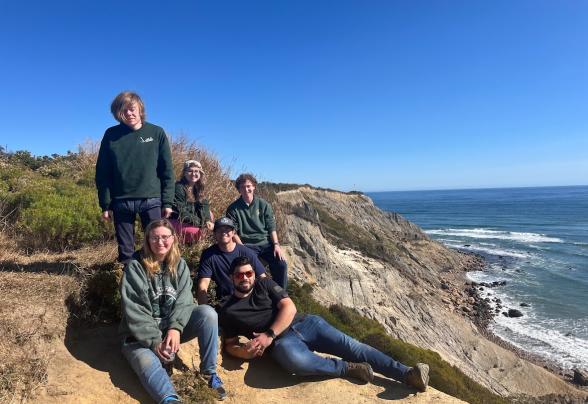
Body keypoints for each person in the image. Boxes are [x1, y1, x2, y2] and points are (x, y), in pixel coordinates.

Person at [219, 256, 430, 393]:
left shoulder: (264, 284)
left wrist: (269, 335)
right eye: (239, 275)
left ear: (254, 275)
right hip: (282, 344)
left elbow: (289, 307)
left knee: (354, 347)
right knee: (296, 363)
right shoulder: (228, 310)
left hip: (306, 323)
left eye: (248, 273)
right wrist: (245, 353)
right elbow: (229, 345)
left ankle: (408, 375)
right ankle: (347, 368)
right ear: (232, 278)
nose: (244, 278)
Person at [120, 219, 226, 402]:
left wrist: (175, 328)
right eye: (154, 238)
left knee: (208, 314)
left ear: (173, 238)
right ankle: (169, 398)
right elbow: (135, 310)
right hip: (139, 335)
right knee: (147, 362)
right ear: (147, 240)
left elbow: (185, 300)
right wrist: (155, 342)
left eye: (165, 237)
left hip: (169, 328)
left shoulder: (180, 264)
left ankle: (209, 373)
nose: (160, 242)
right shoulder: (135, 267)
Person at [95, 91, 175, 264]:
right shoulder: (111, 135)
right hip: (121, 202)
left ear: (140, 109)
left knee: (157, 246)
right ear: (117, 114)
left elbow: (167, 170)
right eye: (123, 111)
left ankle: (158, 283)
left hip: (151, 199)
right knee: (126, 252)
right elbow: (103, 173)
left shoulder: (156, 133)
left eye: (132, 109)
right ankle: (130, 285)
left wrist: (168, 202)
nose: (129, 114)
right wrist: (106, 204)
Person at [226, 173, 287, 289]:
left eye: (249, 186)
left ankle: (281, 294)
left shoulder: (263, 204)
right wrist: (242, 247)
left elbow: (271, 226)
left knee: (281, 264)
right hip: (247, 245)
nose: (246, 189)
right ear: (238, 189)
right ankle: (256, 296)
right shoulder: (233, 208)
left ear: (254, 186)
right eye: (242, 187)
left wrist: (276, 245)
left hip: (266, 244)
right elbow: (233, 232)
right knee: (253, 270)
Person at [197, 217, 266, 305]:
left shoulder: (246, 252)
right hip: (225, 302)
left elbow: (263, 278)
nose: (224, 232)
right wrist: (204, 309)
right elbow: (203, 284)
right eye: (220, 230)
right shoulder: (208, 255)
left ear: (233, 233)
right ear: (214, 234)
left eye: (227, 229)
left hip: (249, 298)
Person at [170, 160, 214, 244]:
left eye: (196, 171)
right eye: (190, 171)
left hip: (193, 219)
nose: (194, 174)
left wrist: (207, 220)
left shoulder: (199, 188)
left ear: (200, 174)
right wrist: (201, 223)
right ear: (184, 173)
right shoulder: (178, 187)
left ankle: (199, 240)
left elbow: (204, 206)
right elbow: (180, 211)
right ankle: (184, 244)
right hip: (178, 219)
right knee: (196, 233)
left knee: (210, 215)